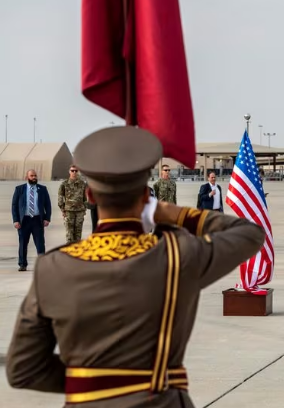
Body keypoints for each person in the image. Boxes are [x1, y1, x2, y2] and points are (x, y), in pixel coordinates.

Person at [5, 126, 266, 406]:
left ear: (90, 197)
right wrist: (174, 213)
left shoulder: (53, 268)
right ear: (146, 196)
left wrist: (92, 380)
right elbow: (249, 233)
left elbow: (23, 368)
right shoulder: (177, 256)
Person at [11, 169, 51, 272]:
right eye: (32, 176)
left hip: (38, 220)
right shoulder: (19, 189)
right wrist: (16, 220)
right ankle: (22, 264)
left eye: (35, 176)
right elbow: (14, 206)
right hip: (24, 220)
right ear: (27, 177)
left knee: (40, 243)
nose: (34, 177)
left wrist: (47, 218)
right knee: (23, 243)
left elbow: (48, 205)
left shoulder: (42, 189)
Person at [58, 164, 88, 244]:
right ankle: (69, 253)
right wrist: (63, 210)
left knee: (78, 233)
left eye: (76, 171)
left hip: (79, 211)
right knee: (69, 234)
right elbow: (60, 198)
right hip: (69, 211)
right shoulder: (64, 184)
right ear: (69, 172)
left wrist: (85, 209)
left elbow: (85, 198)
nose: (74, 172)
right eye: (72, 171)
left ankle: (77, 252)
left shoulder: (83, 184)